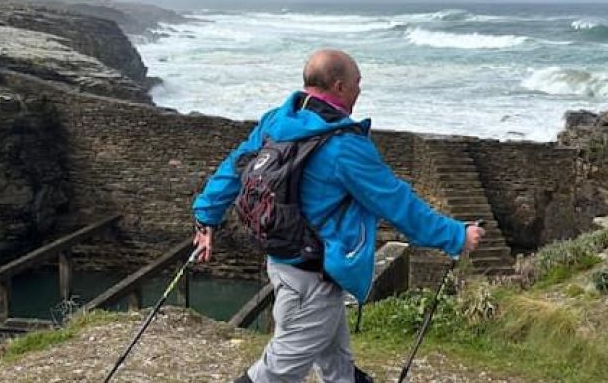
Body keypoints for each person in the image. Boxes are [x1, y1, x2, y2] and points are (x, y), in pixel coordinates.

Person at [192, 49, 485, 383]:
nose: (360, 90)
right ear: (340, 86)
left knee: (336, 361)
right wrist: (456, 236)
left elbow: (235, 167)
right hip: (312, 276)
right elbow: (396, 202)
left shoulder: (277, 120)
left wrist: (206, 216)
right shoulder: (343, 145)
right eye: (358, 83)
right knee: (278, 370)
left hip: (284, 259)